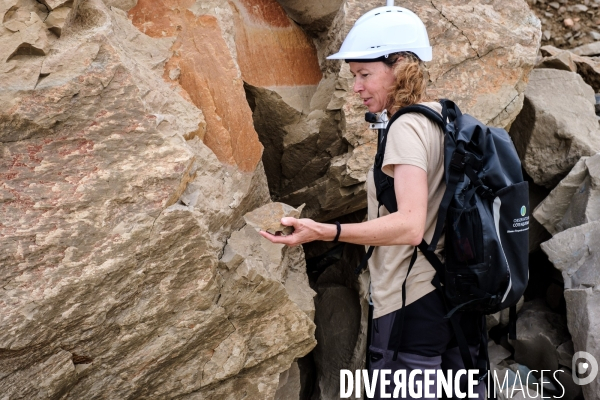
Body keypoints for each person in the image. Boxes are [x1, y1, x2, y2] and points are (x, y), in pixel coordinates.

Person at [260, 5, 485, 400]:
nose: (358, 87)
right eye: (354, 76)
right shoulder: (440, 117)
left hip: (410, 301)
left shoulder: (405, 128)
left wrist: (326, 231)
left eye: (365, 74)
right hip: (447, 294)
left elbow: (411, 225)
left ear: (399, 67)